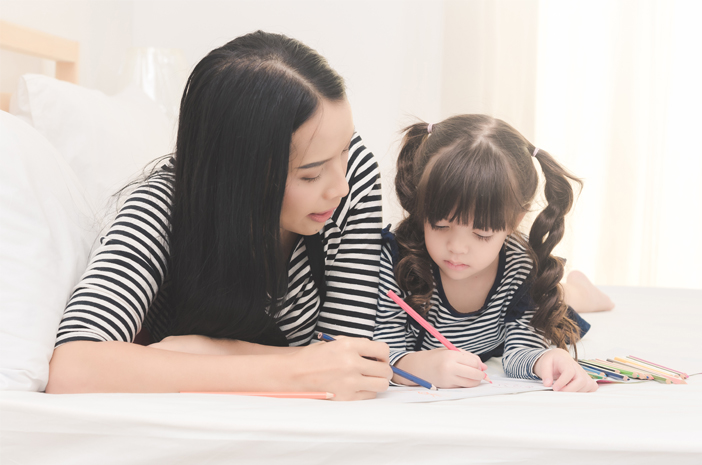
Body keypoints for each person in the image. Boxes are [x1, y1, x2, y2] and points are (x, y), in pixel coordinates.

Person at [46, 31, 392, 401]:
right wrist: (293, 368)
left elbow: (350, 365)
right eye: (310, 173)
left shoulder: (353, 175)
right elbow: (73, 367)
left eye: (344, 149)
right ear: (238, 173)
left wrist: (206, 350)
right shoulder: (166, 205)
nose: (340, 187)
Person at [374, 115, 613, 393]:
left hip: (498, 331)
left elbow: (520, 352)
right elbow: (380, 349)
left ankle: (583, 291)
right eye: (440, 225)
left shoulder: (520, 267)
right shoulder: (395, 263)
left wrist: (546, 359)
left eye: (482, 234)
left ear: (514, 220)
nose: (457, 248)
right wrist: (415, 367)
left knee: (560, 300)